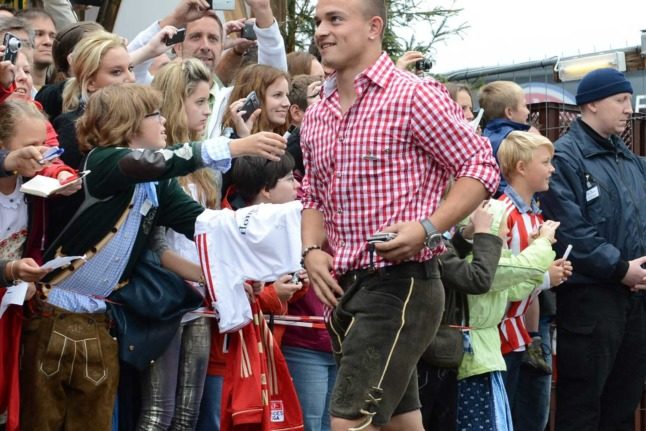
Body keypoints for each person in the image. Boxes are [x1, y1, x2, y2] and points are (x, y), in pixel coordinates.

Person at [20, 83, 286, 431]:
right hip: (52, 312)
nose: (164, 121)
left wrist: (279, 233)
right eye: (154, 114)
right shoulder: (103, 161)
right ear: (129, 123)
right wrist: (234, 146)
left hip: (99, 321)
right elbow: (152, 162)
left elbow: (206, 225)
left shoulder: (157, 184)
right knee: (41, 422)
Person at [300, 0, 499, 429]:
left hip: (403, 282)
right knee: (400, 423)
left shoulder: (414, 94)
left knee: (350, 423)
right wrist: (312, 250)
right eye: (318, 21)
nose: (321, 31)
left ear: (373, 27)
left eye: (335, 19)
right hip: (346, 287)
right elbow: (311, 192)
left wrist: (428, 228)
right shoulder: (316, 115)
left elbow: (480, 167)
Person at [540, 68, 646, 431]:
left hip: (635, 300)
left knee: (624, 401)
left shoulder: (629, 160)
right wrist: (620, 268)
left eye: (629, 100)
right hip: (590, 303)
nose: (628, 108)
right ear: (592, 104)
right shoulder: (565, 158)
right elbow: (570, 231)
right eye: (620, 100)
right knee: (583, 404)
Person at [455, 200, 558, 431]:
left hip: (486, 357)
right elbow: (524, 268)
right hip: (475, 359)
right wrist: (542, 243)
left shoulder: (490, 262)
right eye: (502, 225)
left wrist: (534, 247)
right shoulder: (476, 261)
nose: (508, 230)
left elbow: (517, 287)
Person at [496, 131, 571, 431]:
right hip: (499, 338)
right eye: (546, 162)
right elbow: (500, 278)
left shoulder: (533, 215)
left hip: (519, 337)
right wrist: (545, 277)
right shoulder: (503, 213)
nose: (552, 169)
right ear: (521, 167)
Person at [479, 81, 531, 196]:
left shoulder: (484, 138)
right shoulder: (515, 141)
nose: (528, 111)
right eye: (524, 106)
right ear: (509, 112)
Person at [15, 9, 56, 94]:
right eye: (39, 34)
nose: (48, 42)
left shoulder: (61, 95)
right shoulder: (7, 94)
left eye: (52, 36)